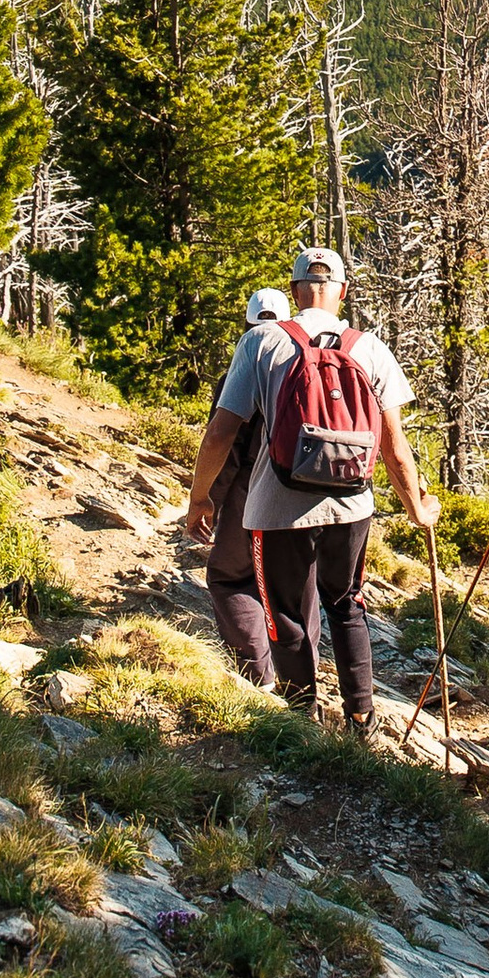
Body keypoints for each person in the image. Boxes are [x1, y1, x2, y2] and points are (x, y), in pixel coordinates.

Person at [185, 244, 435, 731]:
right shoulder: (370, 348)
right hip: (351, 505)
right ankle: (361, 714)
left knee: (284, 612)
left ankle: (302, 718)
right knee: (347, 605)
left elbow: (220, 433)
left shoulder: (261, 342)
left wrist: (201, 499)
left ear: (295, 289)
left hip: (276, 505)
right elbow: (395, 448)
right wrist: (416, 509)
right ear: (342, 292)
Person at [195, 285, 291, 688]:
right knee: (290, 587)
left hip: (252, 490)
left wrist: (207, 501)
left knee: (230, 577)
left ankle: (259, 676)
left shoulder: (241, 370)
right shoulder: (304, 367)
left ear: (247, 325)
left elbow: (226, 445)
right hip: (308, 494)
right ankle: (301, 687)